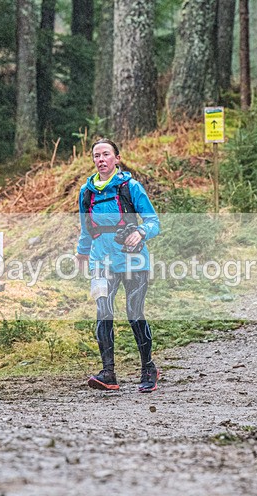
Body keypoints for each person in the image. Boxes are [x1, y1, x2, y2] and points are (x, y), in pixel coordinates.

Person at [76, 138, 161, 392]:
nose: (101, 160)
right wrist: (81, 254)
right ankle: (108, 373)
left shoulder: (130, 186)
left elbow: (153, 220)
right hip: (101, 260)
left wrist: (142, 232)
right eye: (96, 156)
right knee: (103, 312)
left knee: (134, 312)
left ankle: (148, 368)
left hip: (133, 258)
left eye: (105, 155)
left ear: (117, 158)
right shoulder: (87, 192)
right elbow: (86, 228)